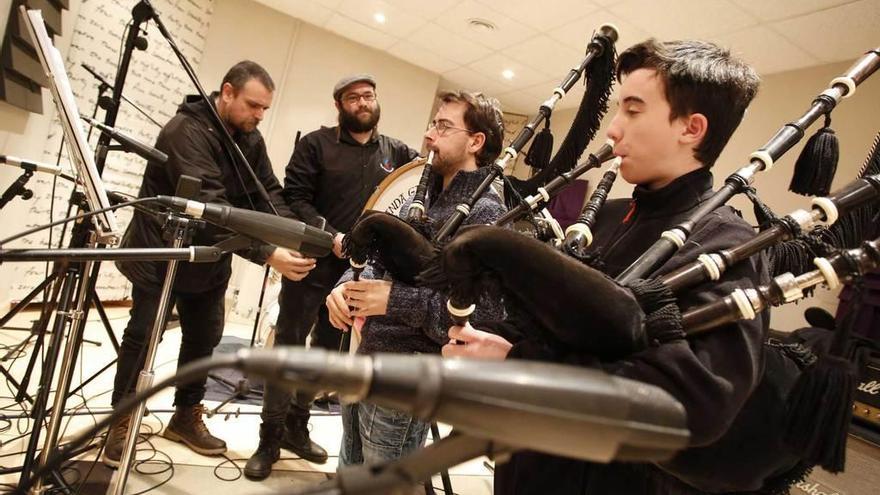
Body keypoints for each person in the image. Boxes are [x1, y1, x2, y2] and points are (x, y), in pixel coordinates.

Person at [442, 40, 779, 494]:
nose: (613, 131)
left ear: (692, 128)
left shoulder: (729, 246)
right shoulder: (602, 217)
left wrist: (519, 364)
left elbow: (690, 406)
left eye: (633, 111)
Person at [104, 61, 317, 467]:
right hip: (163, 256)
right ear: (227, 92)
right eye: (253, 105)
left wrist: (301, 234)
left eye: (264, 110)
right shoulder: (185, 132)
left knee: (204, 339)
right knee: (143, 337)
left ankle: (185, 415)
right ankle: (122, 417)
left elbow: (266, 193)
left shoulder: (246, 138)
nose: (258, 115)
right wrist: (268, 253)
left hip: (209, 262)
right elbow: (211, 211)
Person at [244, 74, 418, 480]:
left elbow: (415, 189)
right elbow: (294, 198)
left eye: (368, 95)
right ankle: (268, 439)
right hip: (312, 266)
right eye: (353, 97)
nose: (362, 102)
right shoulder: (315, 145)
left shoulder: (397, 153)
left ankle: (296, 429)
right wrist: (330, 236)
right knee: (289, 348)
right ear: (338, 104)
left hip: (357, 277)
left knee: (327, 353)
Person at [327, 90, 507, 466]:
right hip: (369, 357)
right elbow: (380, 257)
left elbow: (477, 319)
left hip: (408, 380)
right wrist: (345, 284)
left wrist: (394, 300)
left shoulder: (487, 214)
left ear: (476, 141)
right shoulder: (425, 196)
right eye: (433, 124)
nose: (430, 135)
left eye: (443, 126)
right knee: (349, 470)